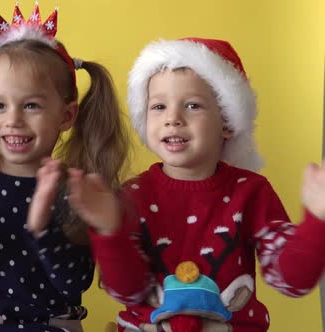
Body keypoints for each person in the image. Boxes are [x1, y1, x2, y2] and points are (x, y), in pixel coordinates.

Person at [68, 37, 325, 332]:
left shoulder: (251, 191)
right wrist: (110, 232)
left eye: (192, 105)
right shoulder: (132, 195)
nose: (173, 119)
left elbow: (291, 281)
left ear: (227, 122)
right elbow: (127, 291)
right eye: (159, 106)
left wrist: (317, 221)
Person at [0, 3, 131, 332]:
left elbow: (74, 284)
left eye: (31, 105)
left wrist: (42, 229)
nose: (13, 120)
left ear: (66, 116)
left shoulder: (75, 187)